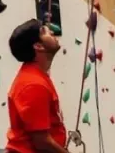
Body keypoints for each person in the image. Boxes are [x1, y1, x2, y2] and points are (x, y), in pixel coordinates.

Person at [5, 20, 69, 153]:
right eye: (44, 31)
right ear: (38, 46)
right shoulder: (33, 84)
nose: (52, 32)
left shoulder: (36, 76)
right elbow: (41, 141)